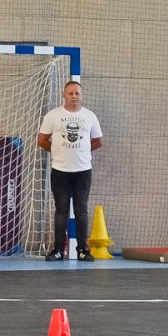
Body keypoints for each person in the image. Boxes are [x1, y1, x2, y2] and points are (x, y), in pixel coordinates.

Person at [36, 81, 104, 261]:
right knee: (61, 210)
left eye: (77, 93)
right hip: (60, 171)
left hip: (83, 171)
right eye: (71, 93)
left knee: (81, 210)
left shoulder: (89, 116)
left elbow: (98, 141)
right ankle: (58, 250)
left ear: (81, 96)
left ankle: (83, 250)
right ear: (64, 95)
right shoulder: (53, 116)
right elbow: (42, 140)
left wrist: (82, 152)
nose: (74, 96)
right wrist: (58, 152)